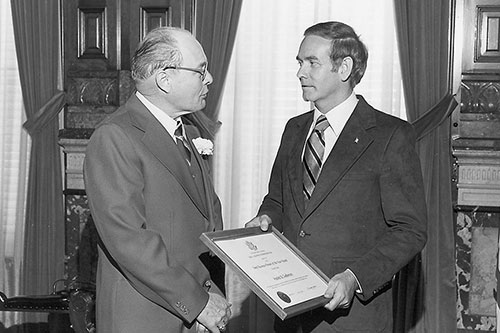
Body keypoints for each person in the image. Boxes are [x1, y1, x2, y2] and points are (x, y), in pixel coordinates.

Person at [246, 21, 427, 332]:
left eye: (312, 62)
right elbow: (277, 200)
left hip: (352, 319)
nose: (300, 73)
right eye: (300, 63)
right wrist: (265, 219)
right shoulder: (294, 129)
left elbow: (410, 230)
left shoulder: (390, 135)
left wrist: (354, 277)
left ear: (344, 68)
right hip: (290, 313)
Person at [84, 27, 231, 333]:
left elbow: (206, 222)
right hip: (145, 319)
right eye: (200, 70)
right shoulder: (115, 136)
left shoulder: (187, 132)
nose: (210, 79)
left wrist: (210, 294)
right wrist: (198, 303)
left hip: (192, 314)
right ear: (165, 79)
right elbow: (130, 241)